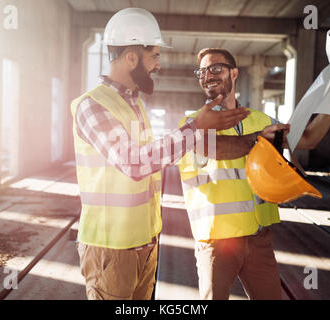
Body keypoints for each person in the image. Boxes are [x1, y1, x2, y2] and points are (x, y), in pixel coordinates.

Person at [70, 10, 249, 300]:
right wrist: (195, 127)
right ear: (131, 58)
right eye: (154, 56)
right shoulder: (92, 106)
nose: (158, 65)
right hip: (111, 248)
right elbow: (134, 163)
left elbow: (155, 156)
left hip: (145, 244)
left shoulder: (135, 105)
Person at [177, 48, 330, 300]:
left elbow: (308, 138)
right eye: (201, 72)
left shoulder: (260, 119)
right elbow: (216, 149)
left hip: (258, 237)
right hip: (216, 240)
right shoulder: (192, 123)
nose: (207, 76)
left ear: (234, 73)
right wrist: (258, 140)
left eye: (215, 68)